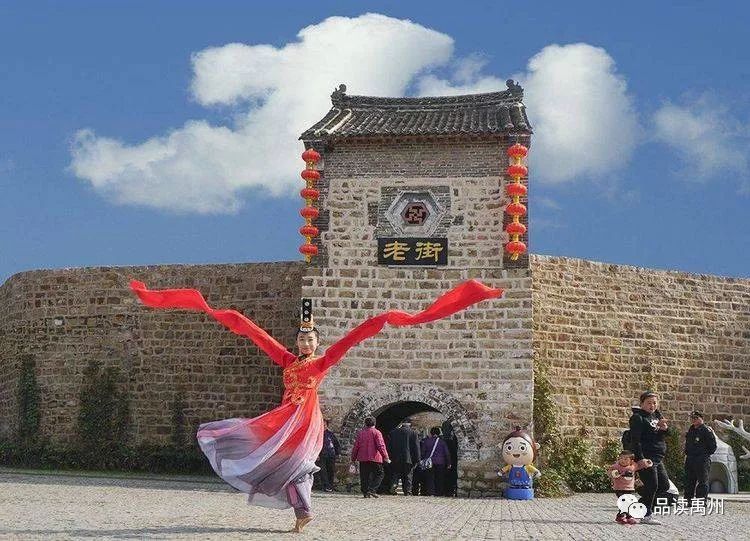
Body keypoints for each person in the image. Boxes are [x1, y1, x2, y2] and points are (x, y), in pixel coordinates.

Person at [130, 278, 502, 533]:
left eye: (310, 338)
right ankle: (301, 510)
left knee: (300, 465)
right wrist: (225, 315)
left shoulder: (321, 363)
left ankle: (302, 509)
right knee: (280, 464)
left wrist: (384, 319)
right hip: (283, 420)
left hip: (305, 419)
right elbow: (254, 334)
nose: (304, 341)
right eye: (300, 337)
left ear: (317, 343)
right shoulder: (286, 360)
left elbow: (353, 339)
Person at [628, 390, 670, 525]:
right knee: (653, 485)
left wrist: (664, 429)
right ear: (642, 404)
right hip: (647, 457)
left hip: (658, 457)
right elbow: (636, 440)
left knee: (663, 486)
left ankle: (637, 506)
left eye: (654, 403)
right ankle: (646, 515)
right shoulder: (638, 418)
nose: (652, 406)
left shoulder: (657, 416)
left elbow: (661, 436)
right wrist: (640, 459)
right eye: (649, 403)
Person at [608, 450, 651, 524]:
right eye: (620, 458)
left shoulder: (633, 466)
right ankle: (622, 516)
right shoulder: (616, 466)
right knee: (624, 501)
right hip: (619, 488)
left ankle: (626, 516)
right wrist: (613, 473)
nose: (622, 461)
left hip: (629, 488)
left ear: (631, 461)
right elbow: (609, 471)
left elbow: (640, 464)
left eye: (625, 459)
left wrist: (646, 462)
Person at [351, 417, 390, 497]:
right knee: (380, 474)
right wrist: (385, 456)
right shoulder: (377, 432)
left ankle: (365, 492)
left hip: (363, 457)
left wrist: (353, 458)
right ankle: (372, 489)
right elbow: (380, 445)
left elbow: (356, 446)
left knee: (364, 475)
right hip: (375, 457)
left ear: (365, 424)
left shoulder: (361, 433)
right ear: (374, 424)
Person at [684, 410, 717, 505]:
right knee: (689, 480)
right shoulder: (691, 429)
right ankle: (688, 500)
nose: (694, 420)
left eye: (696, 418)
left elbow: (713, 446)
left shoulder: (706, 430)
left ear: (701, 419)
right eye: (692, 418)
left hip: (701, 459)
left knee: (702, 481)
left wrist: (704, 454)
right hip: (690, 458)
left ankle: (701, 501)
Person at [387, 418, 420, 495]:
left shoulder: (393, 432)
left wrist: (389, 457)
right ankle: (407, 491)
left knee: (396, 474)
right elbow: (416, 447)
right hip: (408, 459)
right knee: (408, 475)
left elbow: (389, 446)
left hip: (395, 458)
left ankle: (394, 485)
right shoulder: (413, 433)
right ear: (409, 424)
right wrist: (417, 460)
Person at [420, 426, 452, 496]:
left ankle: (431, 492)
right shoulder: (442, 442)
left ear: (431, 433)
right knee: (439, 478)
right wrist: (449, 463)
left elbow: (422, 452)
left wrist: (422, 460)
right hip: (441, 463)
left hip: (429, 462)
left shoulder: (426, 441)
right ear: (439, 433)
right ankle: (439, 492)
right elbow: (447, 453)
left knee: (430, 478)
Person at [317, 419, 341, 492]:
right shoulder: (317, 434)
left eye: (324, 425)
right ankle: (326, 486)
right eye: (322, 425)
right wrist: (316, 454)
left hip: (331, 454)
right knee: (323, 471)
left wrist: (338, 453)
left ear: (327, 425)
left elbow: (336, 444)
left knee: (331, 471)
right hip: (322, 455)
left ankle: (330, 486)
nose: (323, 426)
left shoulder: (330, 434)